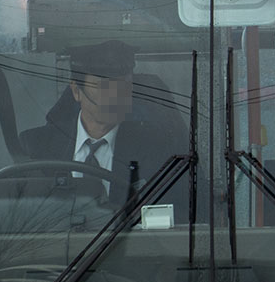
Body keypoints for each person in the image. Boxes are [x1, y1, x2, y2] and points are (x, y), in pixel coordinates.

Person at [19, 40, 188, 207]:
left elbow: (181, 214)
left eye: (123, 85)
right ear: (77, 91)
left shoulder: (158, 148)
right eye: (104, 86)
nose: (115, 96)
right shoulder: (37, 148)